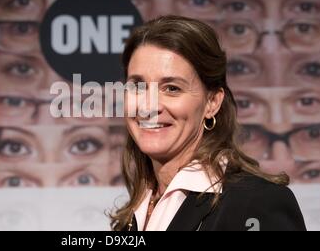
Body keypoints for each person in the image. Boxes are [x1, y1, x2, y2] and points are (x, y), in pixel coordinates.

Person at [110, 15, 306, 231]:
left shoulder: (256, 204)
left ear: (212, 102)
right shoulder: (129, 219)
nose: (148, 106)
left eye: (172, 88)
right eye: (137, 86)